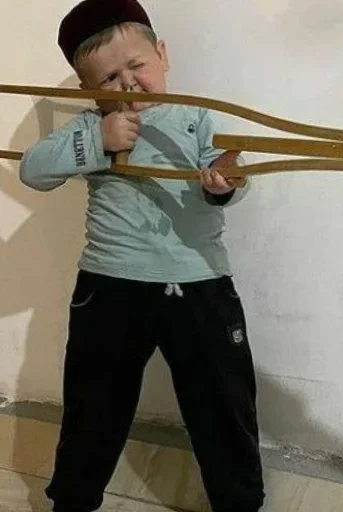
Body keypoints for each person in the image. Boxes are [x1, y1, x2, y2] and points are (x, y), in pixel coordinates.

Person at [19, 1, 265, 511]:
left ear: (163, 55)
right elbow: (33, 170)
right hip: (109, 285)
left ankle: (239, 501)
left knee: (224, 400)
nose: (129, 83)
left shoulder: (196, 117)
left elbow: (228, 175)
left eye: (137, 65)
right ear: (89, 89)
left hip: (200, 281)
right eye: (109, 78)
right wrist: (99, 140)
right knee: (94, 404)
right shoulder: (90, 125)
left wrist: (224, 182)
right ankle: (73, 500)